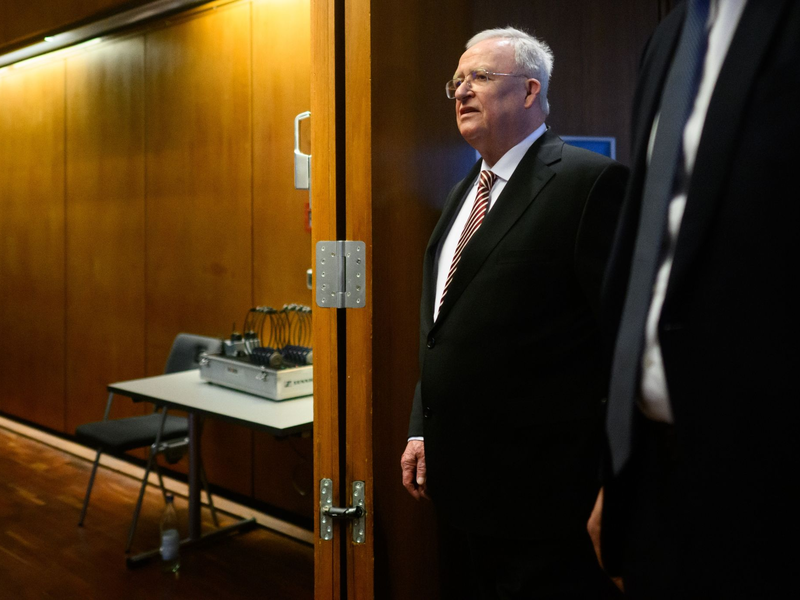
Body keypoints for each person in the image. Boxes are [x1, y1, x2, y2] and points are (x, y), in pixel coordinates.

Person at [400, 26, 627, 599]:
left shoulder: (588, 183)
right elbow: (442, 329)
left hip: (544, 500)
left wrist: (616, 482)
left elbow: (620, 341)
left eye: (479, 77)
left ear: (530, 91)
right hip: (455, 489)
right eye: (456, 80)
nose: (461, 91)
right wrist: (421, 428)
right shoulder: (461, 195)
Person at [597, 0, 800, 597]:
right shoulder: (668, 39)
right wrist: (618, 474)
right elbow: (648, 262)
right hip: (658, 480)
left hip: (771, 485)